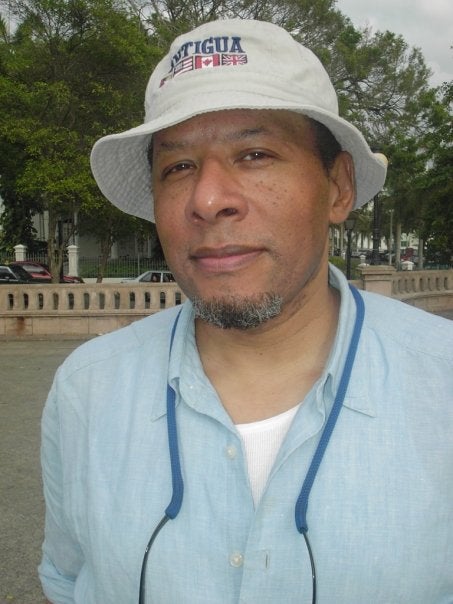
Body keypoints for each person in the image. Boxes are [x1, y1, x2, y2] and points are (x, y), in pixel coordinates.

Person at [39, 19, 453, 604]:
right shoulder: (87, 390)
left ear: (338, 187)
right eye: (178, 167)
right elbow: (68, 580)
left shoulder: (442, 384)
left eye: (255, 154)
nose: (208, 200)